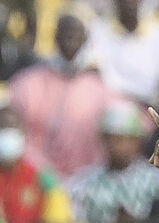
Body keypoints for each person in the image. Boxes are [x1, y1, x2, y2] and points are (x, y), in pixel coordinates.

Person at [8, 12, 123, 179]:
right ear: (55, 38)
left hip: (89, 181)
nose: (70, 40)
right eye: (65, 34)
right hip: (37, 178)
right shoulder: (27, 83)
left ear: (85, 40)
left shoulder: (101, 88)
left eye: (76, 35)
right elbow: (14, 131)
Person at [0, 100, 70, 223]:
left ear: (24, 133)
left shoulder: (46, 181)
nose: (6, 134)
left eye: (11, 128)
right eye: (1, 127)